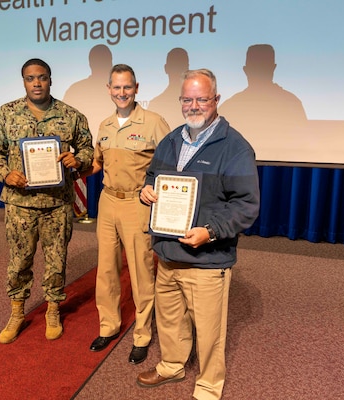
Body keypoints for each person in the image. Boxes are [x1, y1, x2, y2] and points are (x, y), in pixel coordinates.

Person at [137, 69, 260, 400]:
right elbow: (151, 178)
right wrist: (145, 192)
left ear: (216, 100)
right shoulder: (171, 140)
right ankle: (171, 366)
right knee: (170, 320)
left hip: (207, 258)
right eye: (187, 99)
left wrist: (210, 231)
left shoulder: (234, 147)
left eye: (201, 99)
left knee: (210, 332)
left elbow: (246, 205)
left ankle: (208, 387)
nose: (194, 106)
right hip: (168, 253)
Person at [0, 58, 94, 343]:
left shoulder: (71, 116)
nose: (36, 83)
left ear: (50, 80)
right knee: (19, 261)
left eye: (42, 77)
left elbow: (86, 149)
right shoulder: (6, 114)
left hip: (57, 204)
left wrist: (77, 159)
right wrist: (7, 175)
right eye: (31, 78)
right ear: (23, 81)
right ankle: (17, 311)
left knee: (56, 261)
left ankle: (53, 308)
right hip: (20, 203)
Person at [82, 64, 170, 364]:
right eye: (116, 87)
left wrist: (152, 186)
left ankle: (142, 334)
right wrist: (73, 167)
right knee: (106, 270)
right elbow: (96, 164)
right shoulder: (105, 125)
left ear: (136, 88)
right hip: (107, 202)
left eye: (127, 87)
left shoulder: (154, 123)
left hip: (137, 203)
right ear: (108, 89)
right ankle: (109, 326)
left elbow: (170, 166)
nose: (122, 93)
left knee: (141, 271)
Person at [218, 44, 306, 138]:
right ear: (273, 68)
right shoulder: (292, 103)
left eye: (262, 67)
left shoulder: (230, 106)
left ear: (246, 70)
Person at [147, 47, 190, 130]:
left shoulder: (196, 105)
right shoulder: (155, 104)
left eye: (180, 65)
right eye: (175, 66)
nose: (178, 70)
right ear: (166, 68)